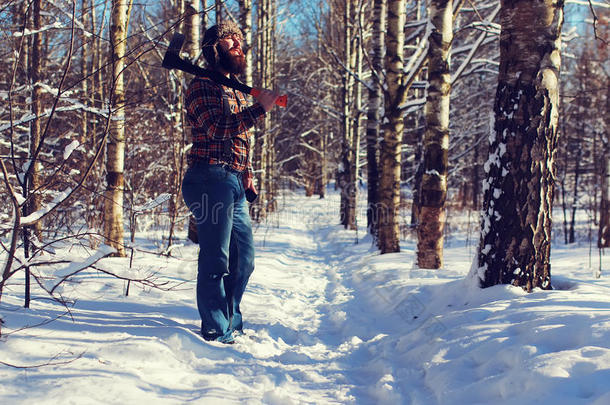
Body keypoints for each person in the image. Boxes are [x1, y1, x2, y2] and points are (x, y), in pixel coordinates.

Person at [181, 21, 279, 344]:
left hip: (234, 182)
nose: (237, 44)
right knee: (216, 258)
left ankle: (230, 319)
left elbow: (240, 139)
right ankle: (215, 328)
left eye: (238, 38)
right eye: (229, 40)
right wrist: (259, 109)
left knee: (244, 259)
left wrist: (247, 170)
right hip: (209, 179)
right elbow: (218, 129)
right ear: (214, 50)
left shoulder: (234, 89)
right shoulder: (201, 88)